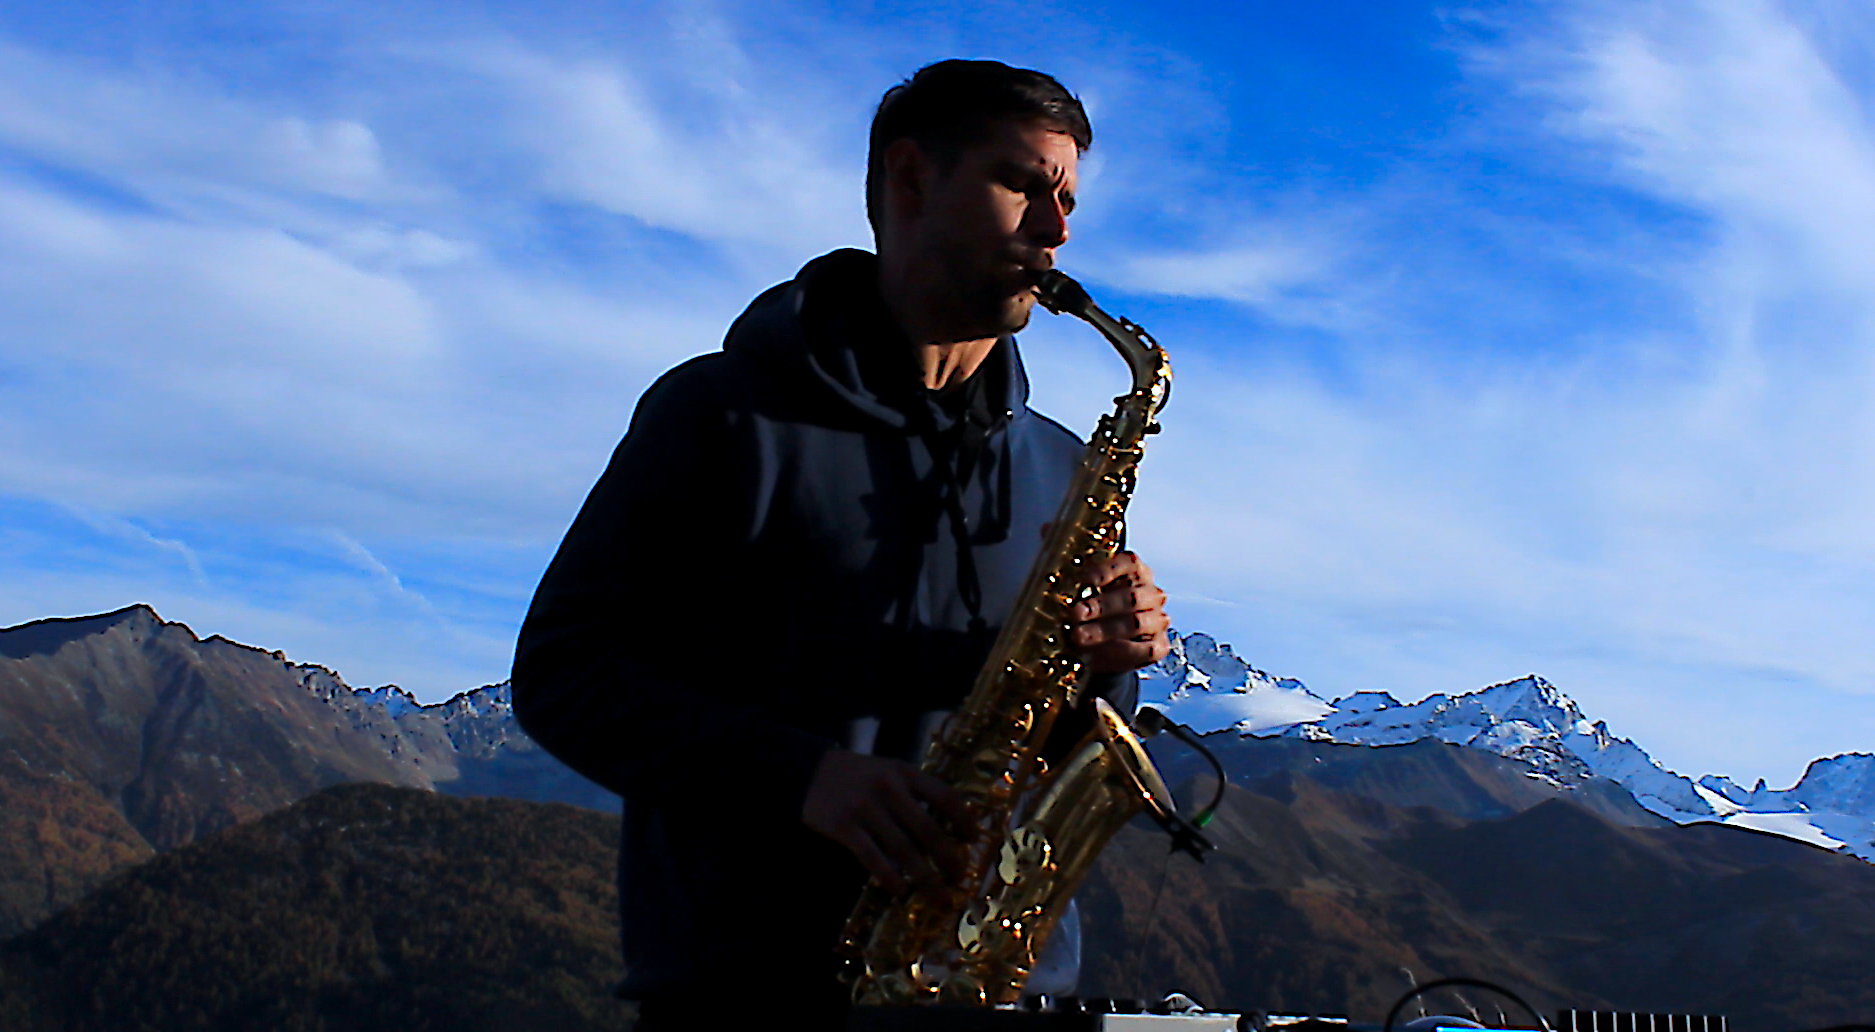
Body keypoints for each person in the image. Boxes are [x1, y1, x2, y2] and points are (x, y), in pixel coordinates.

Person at [511, 59, 1171, 1025]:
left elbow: (1053, 745)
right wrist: (802, 779)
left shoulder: (1062, 465)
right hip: (751, 996)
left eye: (1067, 199)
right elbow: (563, 675)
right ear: (909, 178)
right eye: (1023, 186)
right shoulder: (719, 414)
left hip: (988, 987)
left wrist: (1107, 664)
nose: (1056, 229)